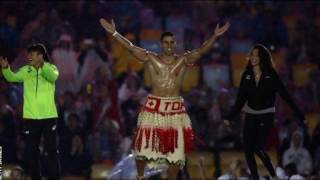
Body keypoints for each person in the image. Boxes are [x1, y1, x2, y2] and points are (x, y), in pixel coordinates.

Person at [100, 18, 230, 180]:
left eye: (171, 42)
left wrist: (215, 36)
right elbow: (131, 47)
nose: (168, 45)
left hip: (174, 108)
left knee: (174, 157)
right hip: (155, 105)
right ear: (161, 44)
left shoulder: (183, 60)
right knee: (143, 149)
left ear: (174, 44)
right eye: (166, 42)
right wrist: (115, 33)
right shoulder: (151, 58)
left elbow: (201, 50)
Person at [224, 44, 305, 180]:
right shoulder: (246, 75)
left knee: (257, 146)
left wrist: (299, 114)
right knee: (248, 149)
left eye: (257, 55)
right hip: (250, 114)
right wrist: (229, 117)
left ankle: (273, 175)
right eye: (252, 55)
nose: (254, 58)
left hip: (266, 115)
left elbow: (285, 95)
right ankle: (255, 178)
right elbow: (240, 100)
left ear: (263, 57)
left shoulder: (271, 74)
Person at [0, 43, 60, 179]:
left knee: (51, 151)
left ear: (40, 56)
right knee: (31, 152)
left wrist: (42, 65)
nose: (28, 57)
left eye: (31, 54)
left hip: (49, 116)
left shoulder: (52, 68)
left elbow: (52, 77)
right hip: (31, 118)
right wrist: (5, 68)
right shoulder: (26, 70)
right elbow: (12, 78)